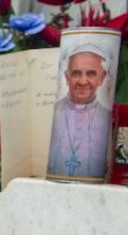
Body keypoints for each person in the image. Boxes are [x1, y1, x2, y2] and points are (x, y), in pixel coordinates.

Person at [47, 45, 112, 180]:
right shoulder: (52, 112)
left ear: (102, 77)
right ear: (67, 77)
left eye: (91, 74)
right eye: (76, 73)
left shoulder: (108, 117)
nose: (83, 82)